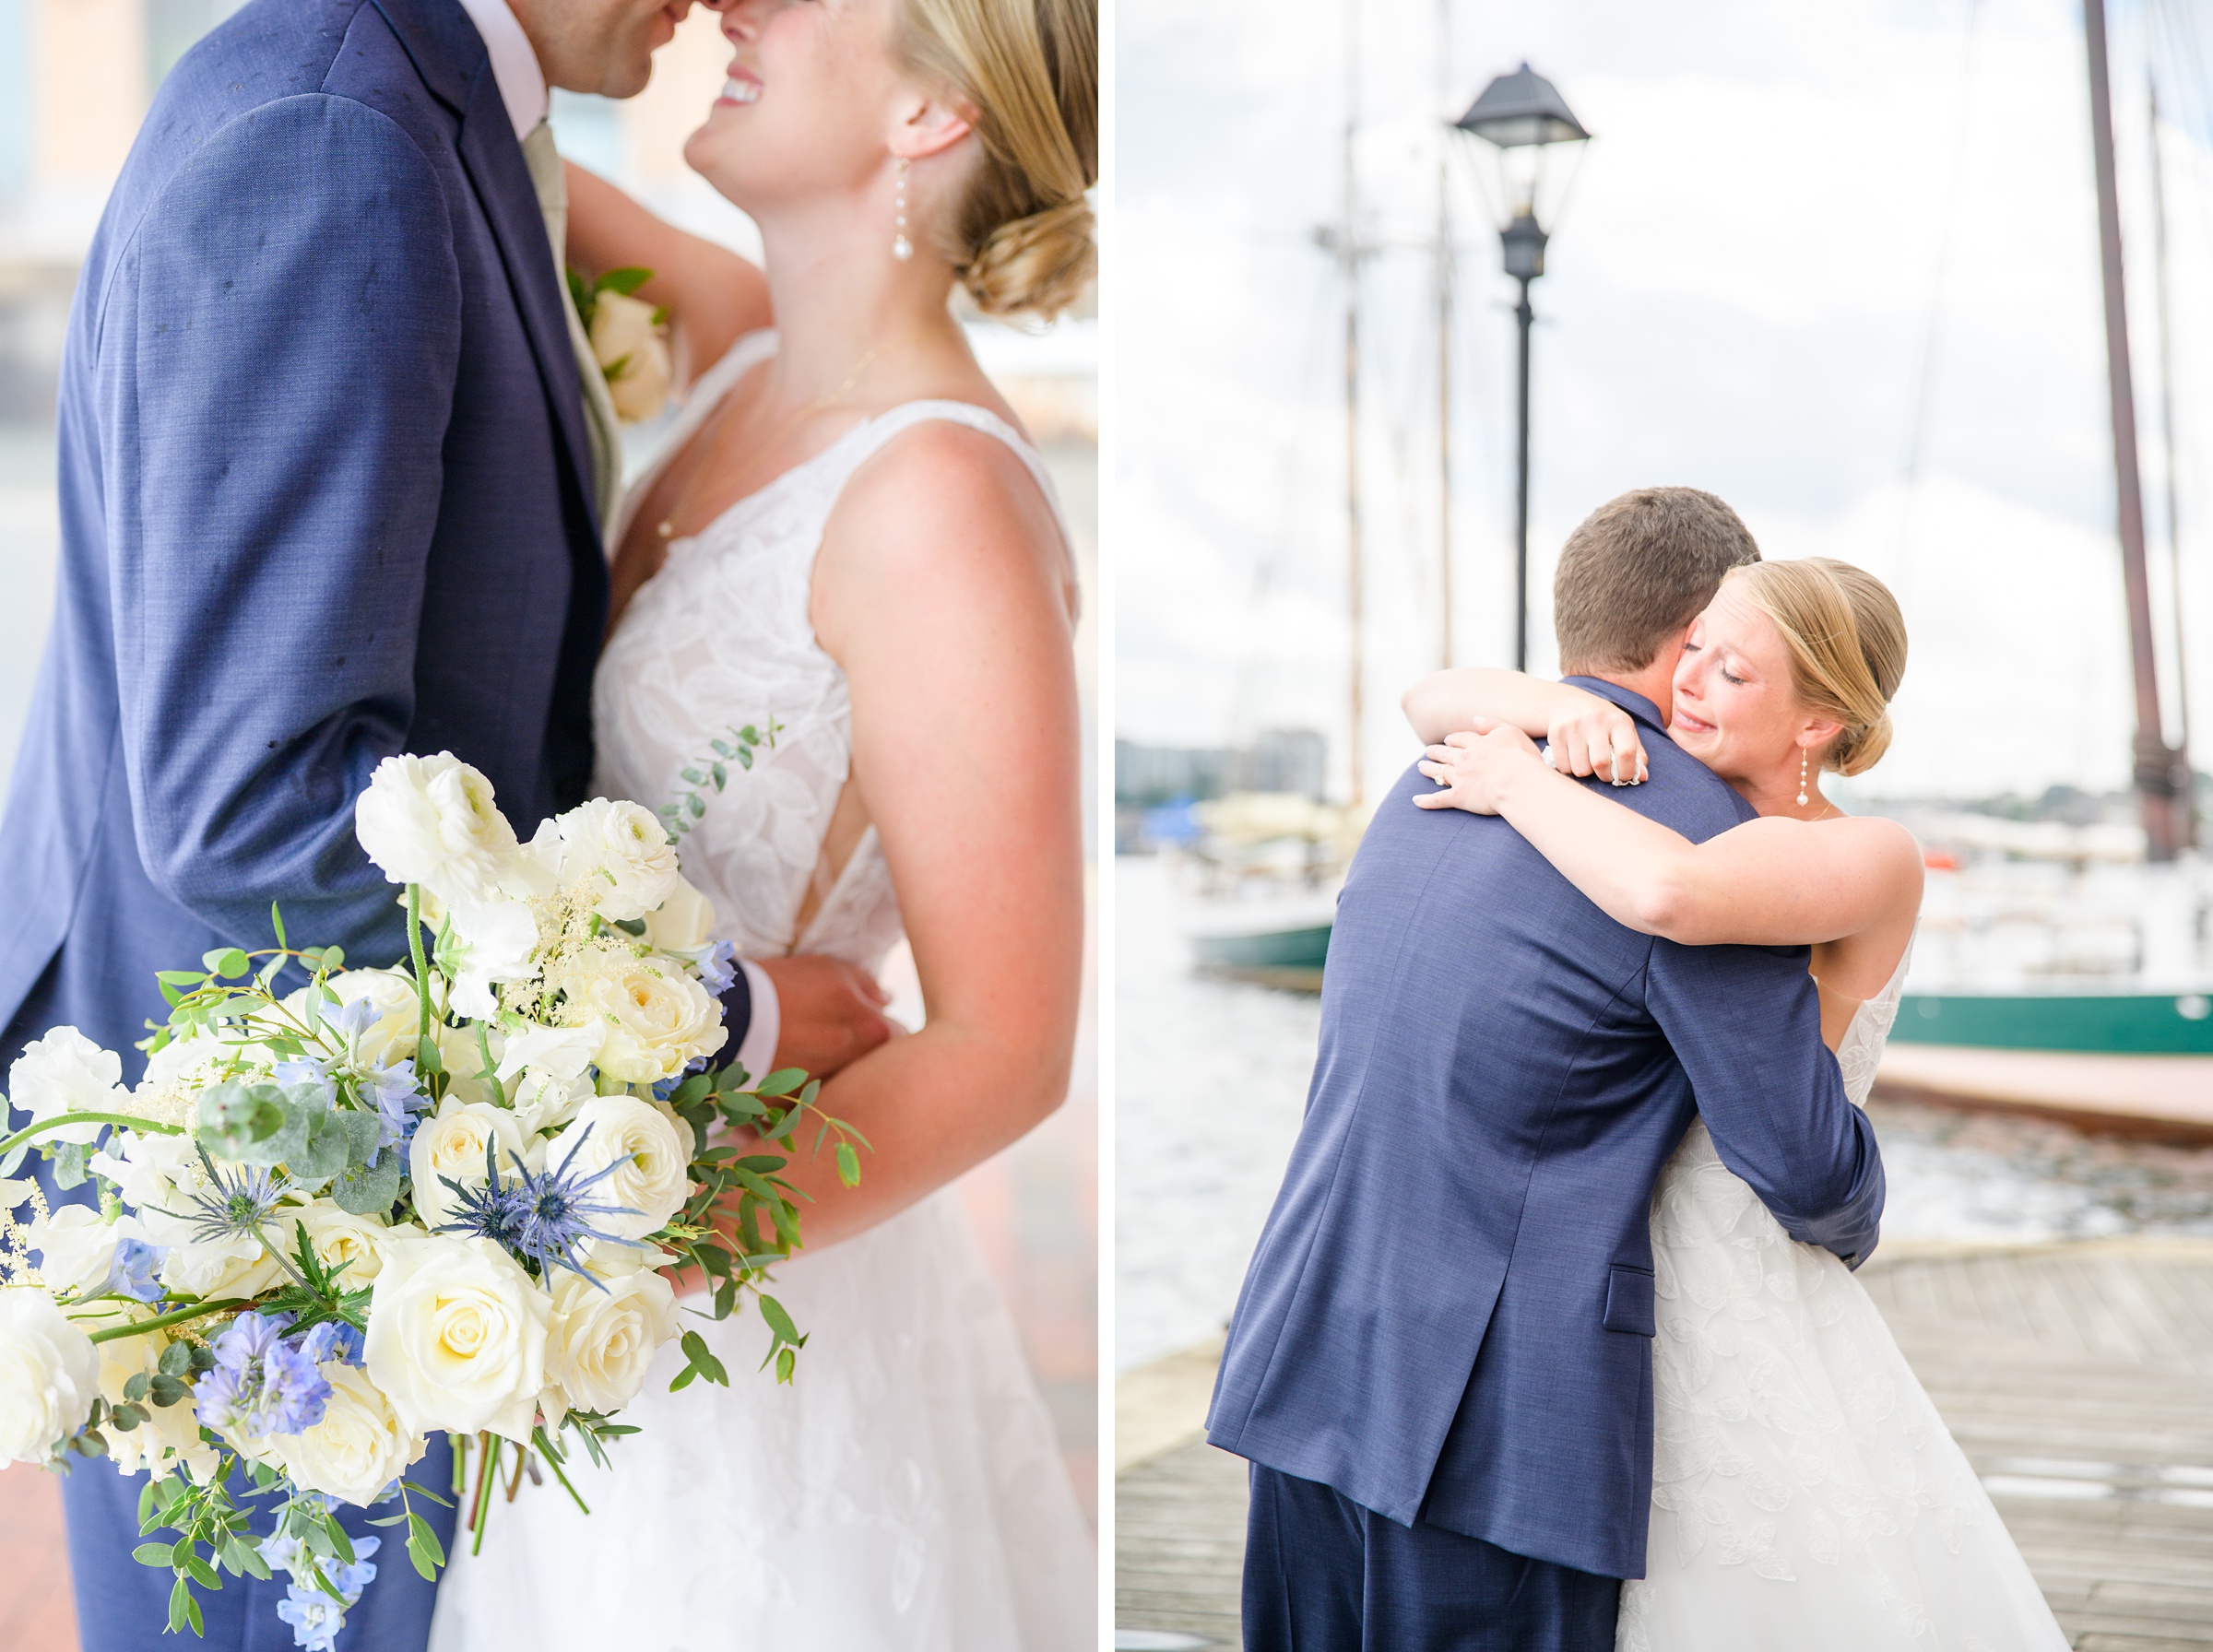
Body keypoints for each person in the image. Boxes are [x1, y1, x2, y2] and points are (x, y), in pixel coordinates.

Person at [0, 0, 889, 1644]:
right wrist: (718, 1016)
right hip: (270, 1212)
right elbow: (261, 807)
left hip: (345, 1149)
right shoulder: (334, 135)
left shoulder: (435, 104)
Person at [425, 0, 1098, 1645]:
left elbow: (1008, 1045)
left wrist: (604, 1255)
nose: (736, 2)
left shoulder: (941, 508)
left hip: (736, 1296)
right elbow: (447, 97)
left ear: (932, 117)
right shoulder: (729, 343)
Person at [1208, 487, 1886, 1652]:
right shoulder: (1692, 837)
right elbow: (1800, 1162)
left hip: (1308, 1351)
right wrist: (1861, 1209)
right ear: (1690, 641)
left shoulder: (1433, 770)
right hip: (1489, 1428)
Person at [1410, 554, 2070, 1651]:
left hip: (1738, 1261)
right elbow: (1429, 698)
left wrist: (1519, 780)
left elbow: (1672, 893)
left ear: (1817, 725)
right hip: (1617, 1259)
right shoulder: (1670, 783)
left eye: (1736, 673)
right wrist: (1560, 707)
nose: (1691, 682)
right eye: (1697, 648)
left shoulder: (1868, 855)